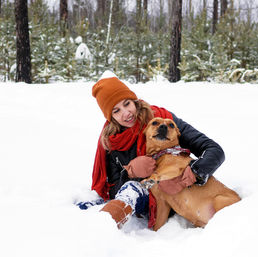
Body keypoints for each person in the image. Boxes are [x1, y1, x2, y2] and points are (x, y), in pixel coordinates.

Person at [89, 73, 225, 229]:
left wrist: (195, 171)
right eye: (116, 111)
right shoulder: (111, 142)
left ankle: (102, 228)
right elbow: (112, 190)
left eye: (127, 104)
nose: (126, 113)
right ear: (110, 117)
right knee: (130, 189)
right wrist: (129, 173)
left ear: (134, 101)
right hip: (144, 199)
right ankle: (102, 229)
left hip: (182, 194)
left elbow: (214, 150)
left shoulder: (164, 121)